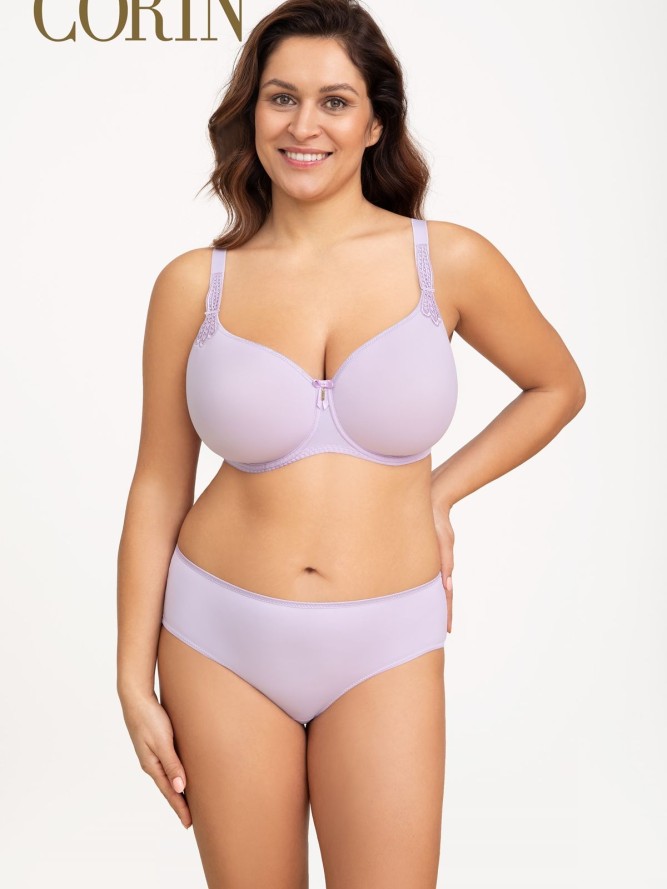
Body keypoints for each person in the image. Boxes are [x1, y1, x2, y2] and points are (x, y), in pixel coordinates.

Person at [116, 0, 586, 885]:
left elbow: (556, 386)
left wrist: (438, 491)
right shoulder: (191, 285)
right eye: (281, 98)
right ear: (251, 113)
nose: (304, 125)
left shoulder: (447, 261)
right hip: (217, 634)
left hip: (387, 640)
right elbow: (157, 485)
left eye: (334, 101)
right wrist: (131, 678)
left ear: (375, 123)